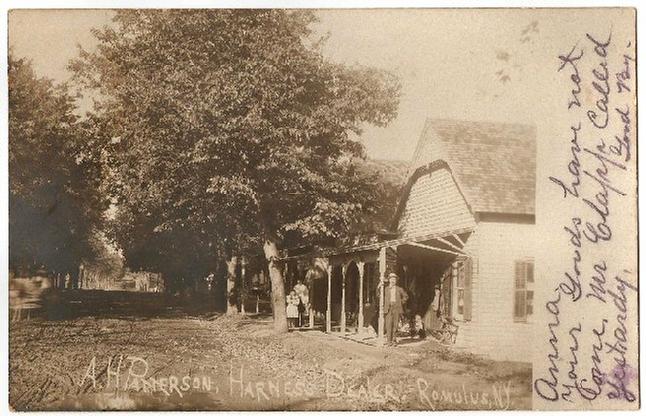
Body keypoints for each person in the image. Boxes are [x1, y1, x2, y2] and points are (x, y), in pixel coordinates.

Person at [377, 273, 408, 346]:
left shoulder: (399, 289)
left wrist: (400, 302)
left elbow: (406, 296)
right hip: (388, 308)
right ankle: (389, 341)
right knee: (388, 324)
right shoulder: (386, 289)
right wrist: (378, 287)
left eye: (394, 279)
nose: (393, 281)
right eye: (391, 279)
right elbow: (378, 295)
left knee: (395, 325)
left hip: (396, 308)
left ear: (396, 281)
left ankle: (394, 340)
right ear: (389, 280)